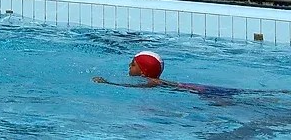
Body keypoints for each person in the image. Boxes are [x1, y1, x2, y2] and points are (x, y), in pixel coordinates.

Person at [92, 51, 257, 98]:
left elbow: (139, 87)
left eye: (133, 64)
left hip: (204, 92)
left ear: (144, 71)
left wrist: (109, 84)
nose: (129, 65)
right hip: (201, 90)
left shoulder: (153, 82)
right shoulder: (157, 80)